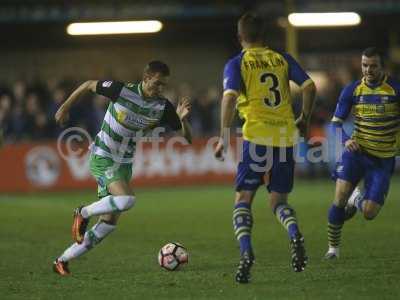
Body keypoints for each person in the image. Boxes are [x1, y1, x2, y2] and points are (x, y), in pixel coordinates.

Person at [53, 60, 192, 275]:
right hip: (103, 155)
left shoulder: (162, 107)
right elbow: (89, 84)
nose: (160, 89)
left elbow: (187, 138)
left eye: (164, 85)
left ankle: (62, 260)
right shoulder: (122, 91)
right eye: (156, 84)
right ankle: (83, 212)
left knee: (108, 223)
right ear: (146, 79)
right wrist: (64, 107)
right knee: (127, 200)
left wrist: (183, 120)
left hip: (124, 163)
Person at [214, 12, 316, 283]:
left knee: (243, 200)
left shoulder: (237, 63)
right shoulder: (282, 59)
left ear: (239, 37)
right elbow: (309, 86)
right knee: (278, 201)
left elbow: (228, 99)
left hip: (257, 138)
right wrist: (304, 119)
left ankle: (246, 253)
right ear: (264, 36)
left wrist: (223, 136)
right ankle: (294, 234)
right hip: (285, 137)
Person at [325, 47, 400, 259]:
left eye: (373, 65)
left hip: (383, 160)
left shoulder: (395, 90)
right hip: (357, 154)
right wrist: (346, 140)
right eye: (365, 65)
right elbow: (335, 124)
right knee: (339, 199)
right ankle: (333, 249)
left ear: (382, 66)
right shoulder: (352, 90)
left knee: (369, 212)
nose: (368, 69)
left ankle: (356, 197)